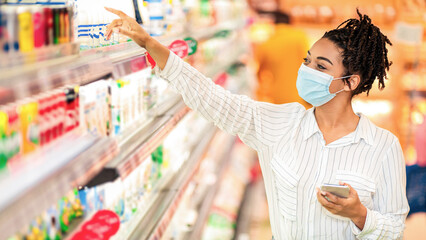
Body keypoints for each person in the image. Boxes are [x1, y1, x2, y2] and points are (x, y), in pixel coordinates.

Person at [105, 8, 409, 239]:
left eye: (321, 66)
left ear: (349, 82)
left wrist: (359, 215)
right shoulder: (279, 124)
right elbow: (213, 99)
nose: (307, 70)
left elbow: (395, 228)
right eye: (307, 60)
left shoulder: (383, 147)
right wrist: (148, 42)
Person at [254, 11, 311, 108]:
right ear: (291, 22)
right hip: (304, 92)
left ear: (273, 24)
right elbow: (309, 61)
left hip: (280, 97)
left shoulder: (266, 44)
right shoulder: (300, 37)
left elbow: (260, 73)